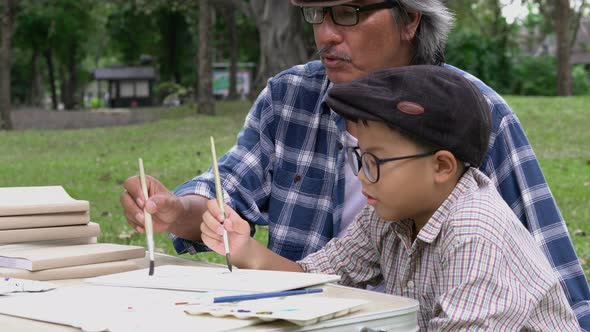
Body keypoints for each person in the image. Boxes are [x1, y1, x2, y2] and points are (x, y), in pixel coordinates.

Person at [120, 0, 590, 327]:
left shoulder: (476, 120)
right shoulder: (291, 100)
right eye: (316, 14)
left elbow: (559, 281)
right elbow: (307, 266)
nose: (325, 33)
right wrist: (186, 216)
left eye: (348, 13)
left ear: (409, 19)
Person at [199, 65, 580, 331]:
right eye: (359, 157)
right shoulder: (387, 214)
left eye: (376, 161)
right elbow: (312, 279)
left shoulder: (474, 233)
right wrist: (244, 248)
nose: (362, 175)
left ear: (442, 166)